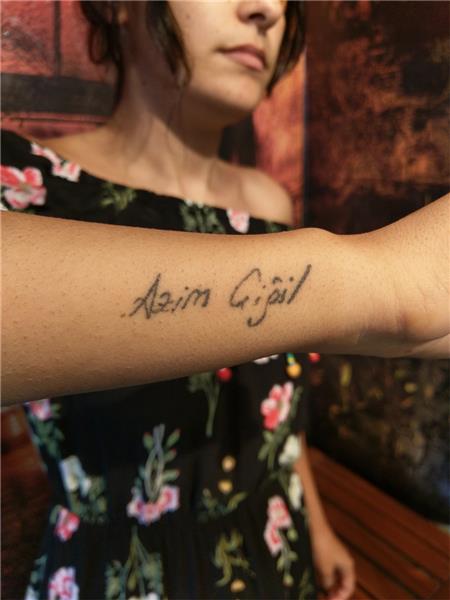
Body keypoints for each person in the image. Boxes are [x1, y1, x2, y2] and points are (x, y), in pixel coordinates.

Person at [1, 1, 448, 599]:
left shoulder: (268, 205)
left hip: (274, 547)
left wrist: (317, 528)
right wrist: (380, 282)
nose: (266, 10)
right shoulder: (24, 189)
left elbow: (277, 408)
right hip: (119, 574)